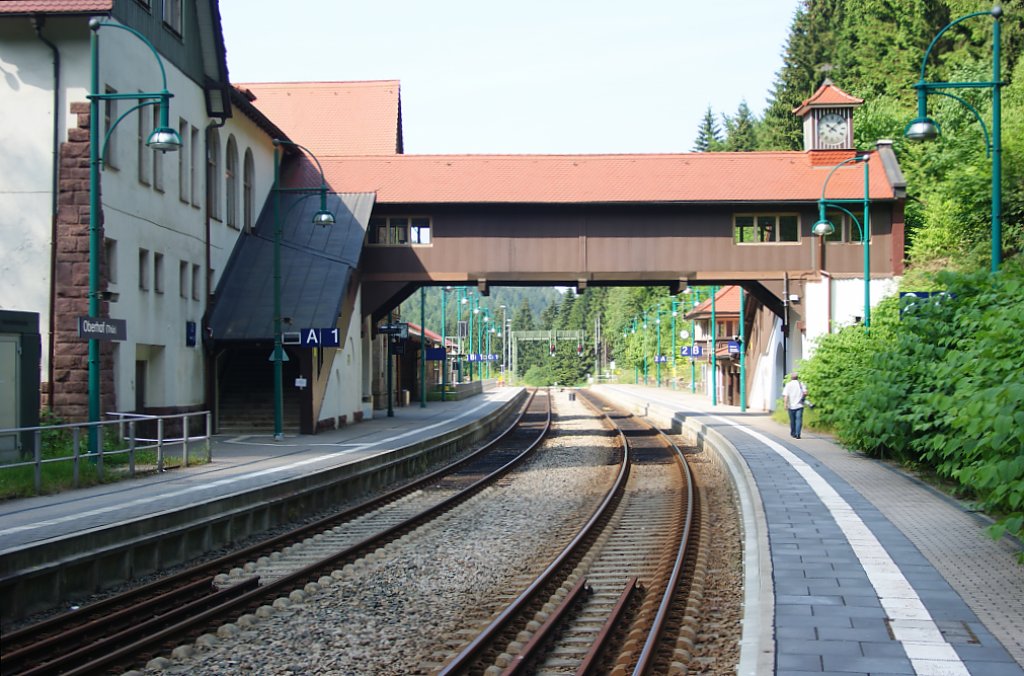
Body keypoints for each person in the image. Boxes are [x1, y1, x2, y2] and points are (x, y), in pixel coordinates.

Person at [782, 373, 808, 439]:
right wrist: (803, 397)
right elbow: (806, 392)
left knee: (792, 420)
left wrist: (785, 404)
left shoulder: (788, 385)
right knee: (799, 420)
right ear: (797, 377)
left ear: (791, 378)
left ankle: (793, 433)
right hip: (800, 405)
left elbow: (786, 396)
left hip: (791, 406)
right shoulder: (801, 384)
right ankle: (798, 434)